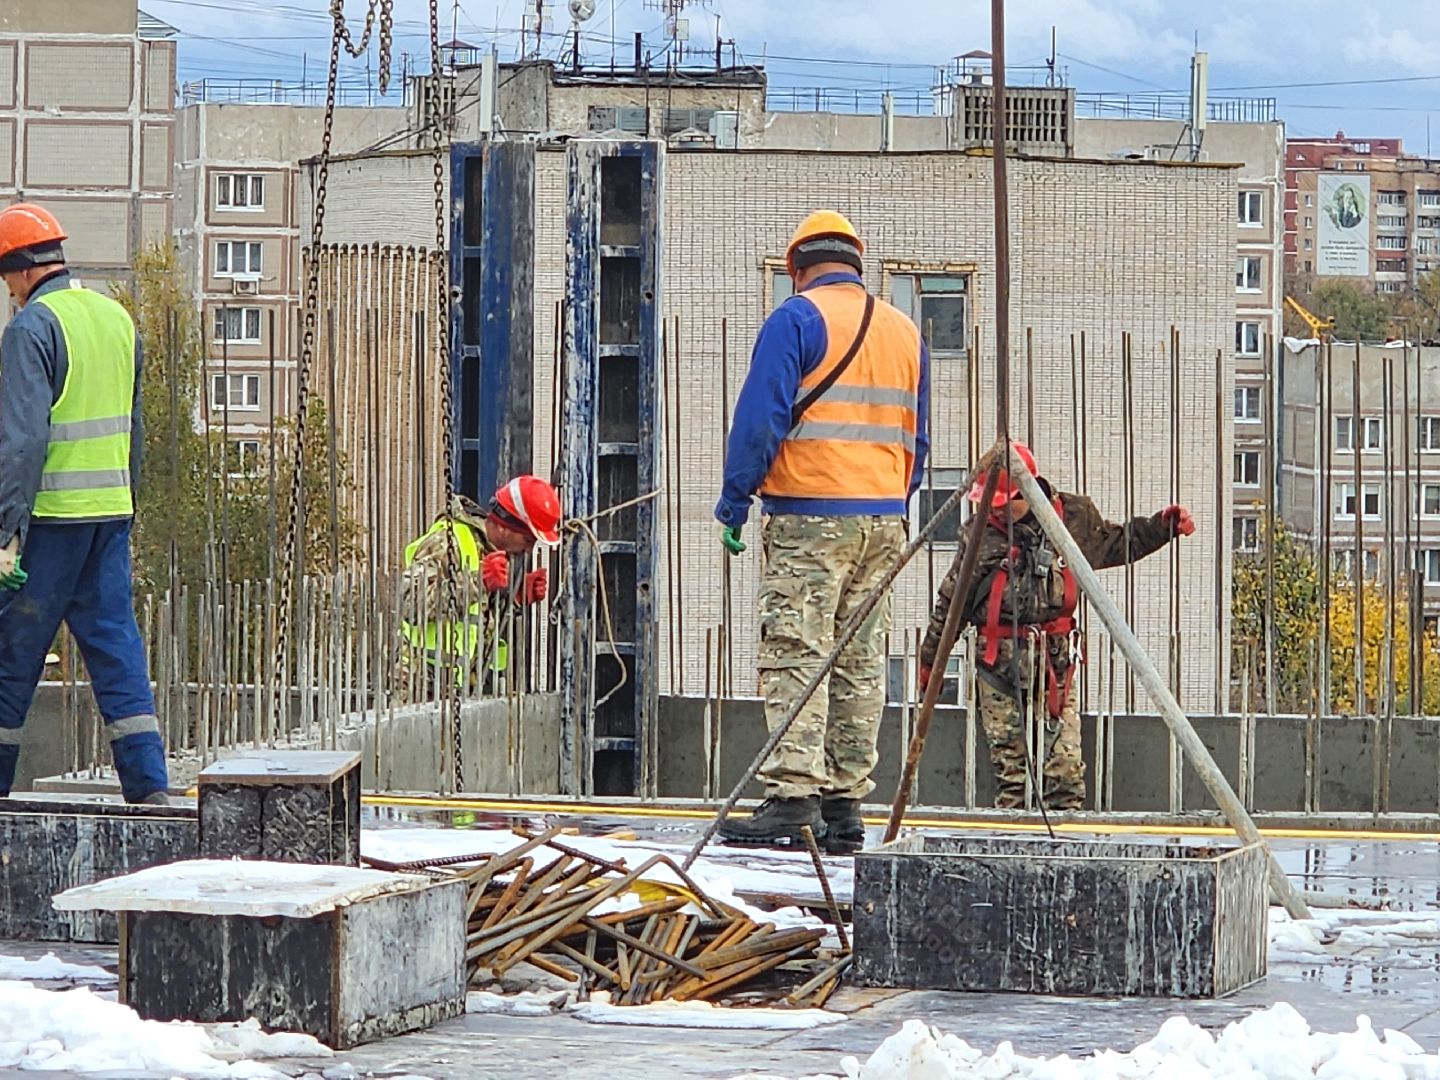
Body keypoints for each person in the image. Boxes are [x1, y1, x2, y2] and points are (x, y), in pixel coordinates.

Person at [713, 210, 930, 853]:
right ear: (858, 265)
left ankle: (792, 797)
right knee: (860, 662)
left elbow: (761, 419)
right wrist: (887, 499)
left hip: (811, 515)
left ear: (796, 268)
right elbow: (919, 441)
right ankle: (845, 804)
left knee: (797, 652)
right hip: (883, 518)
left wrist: (734, 502)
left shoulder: (797, 320)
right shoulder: (905, 330)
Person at [918, 442, 1194, 810]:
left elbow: (1113, 544)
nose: (996, 509)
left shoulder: (1072, 518)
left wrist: (1162, 527)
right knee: (1013, 775)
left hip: (1055, 664)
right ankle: (1014, 848)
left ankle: (1066, 842)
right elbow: (952, 604)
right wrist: (930, 663)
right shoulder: (979, 534)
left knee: (1063, 772)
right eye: (990, 502)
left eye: (1003, 501)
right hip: (997, 664)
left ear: (1027, 491)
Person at [0, 203, 169, 804]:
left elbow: (21, 443)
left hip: (51, 523)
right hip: (109, 519)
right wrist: (128, 507)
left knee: (11, 657)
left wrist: (4, 532)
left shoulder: (33, 328)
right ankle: (150, 789)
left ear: (19, 273)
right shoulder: (116, 319)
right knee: (117, 651)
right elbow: (136, 430)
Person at [398, 476, 560, 698]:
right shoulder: (448, 541)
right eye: (528, 540)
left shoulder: (486, 549)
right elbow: (410, 603)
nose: (527, 550)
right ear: (506, 528)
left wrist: (515, 598)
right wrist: (478, 582)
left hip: (458, 692)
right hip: (419, 691)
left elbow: (472, 623)